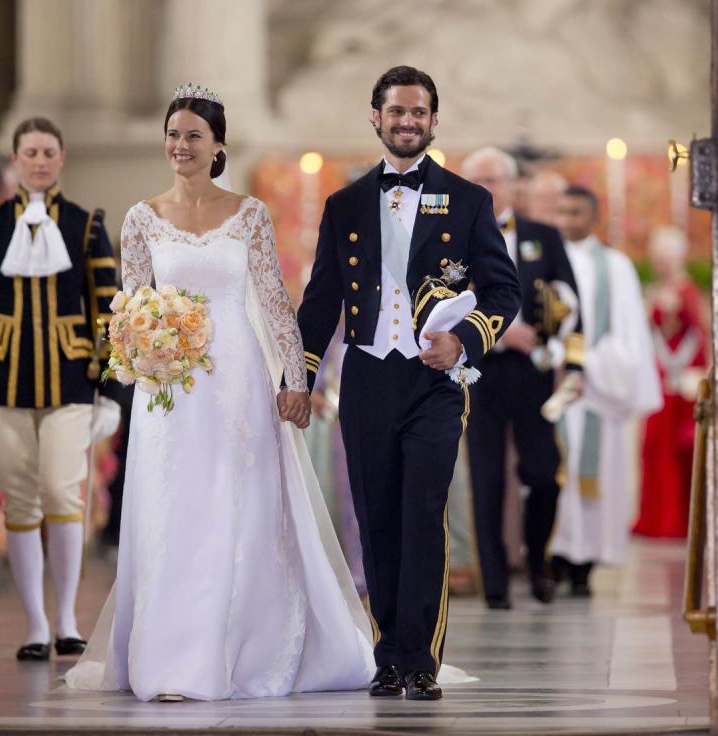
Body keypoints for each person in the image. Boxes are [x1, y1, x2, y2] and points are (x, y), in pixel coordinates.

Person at [66, 85, 379, 702]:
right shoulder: (140, 218)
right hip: (170, 388)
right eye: (173, 134)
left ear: (217, 148)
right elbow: (129, 307)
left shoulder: (249, 213)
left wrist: (296, 378)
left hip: (237, 377)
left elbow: (273, 301)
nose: (179, 147)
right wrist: (140, 351)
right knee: (173, 508)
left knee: (239, 505)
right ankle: (172, 658)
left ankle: (245, 646)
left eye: (192, 137)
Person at [297, 66, 521, 700]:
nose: (406, 122)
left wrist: (465, 340)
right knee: (377, 520)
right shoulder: (343, 205)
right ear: (376, 117)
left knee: (423, 513)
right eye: (396, 111)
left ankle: (420, 658)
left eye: (418, 112)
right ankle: (387, 653)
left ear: (432, 120)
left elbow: (505, 290)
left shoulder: (469, 198)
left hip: (435, 380)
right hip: (367, 378)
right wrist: (303, 376)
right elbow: (321, 301)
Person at [0, 117, 123, 660]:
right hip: (3, 378)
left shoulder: (85, 223)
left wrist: (106, 385)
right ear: (17, 158)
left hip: (71, 377)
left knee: (60, 489)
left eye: (49, 151)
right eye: (30, 152)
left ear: (62, 157)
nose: (40, 160)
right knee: (20, 498)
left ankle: (69, 617)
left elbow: (107, 309)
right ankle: (34, 624)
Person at [461, 147, 583, 607]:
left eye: (494, 179)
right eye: (478, 181)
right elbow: (441, 302)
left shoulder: (543, 236)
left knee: (544, 475)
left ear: (514, 186)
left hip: (533, 375)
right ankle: (494, 585)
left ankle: (537, 565)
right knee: (487, 479)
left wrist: (575, 367)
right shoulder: (454, 237)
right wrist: (500, 332)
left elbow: (572, 305)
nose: (487, 189)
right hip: (477, 373)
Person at [547, 186, 662, 596]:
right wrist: (554, 356)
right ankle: (551, 558)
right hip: (552, 387)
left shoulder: (615, 267)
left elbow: (628, 334)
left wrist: (590, 364)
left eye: (575, 212)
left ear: (592, 216)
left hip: (596, 392)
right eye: (560, 211)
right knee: (550, 475)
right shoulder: (543, 260)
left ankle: (584, 566)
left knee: (591, 480)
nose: (566, 220)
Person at [632, 226, 708, 538]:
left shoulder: (688, 291)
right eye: (658, 259)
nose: (661, 265)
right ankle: (655, 518)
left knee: (678, 452)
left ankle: (677, 521)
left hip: (683, 383)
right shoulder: (654, 291)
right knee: (654, 448)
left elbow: (699, 334)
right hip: (659, 379)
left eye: (666, 259)